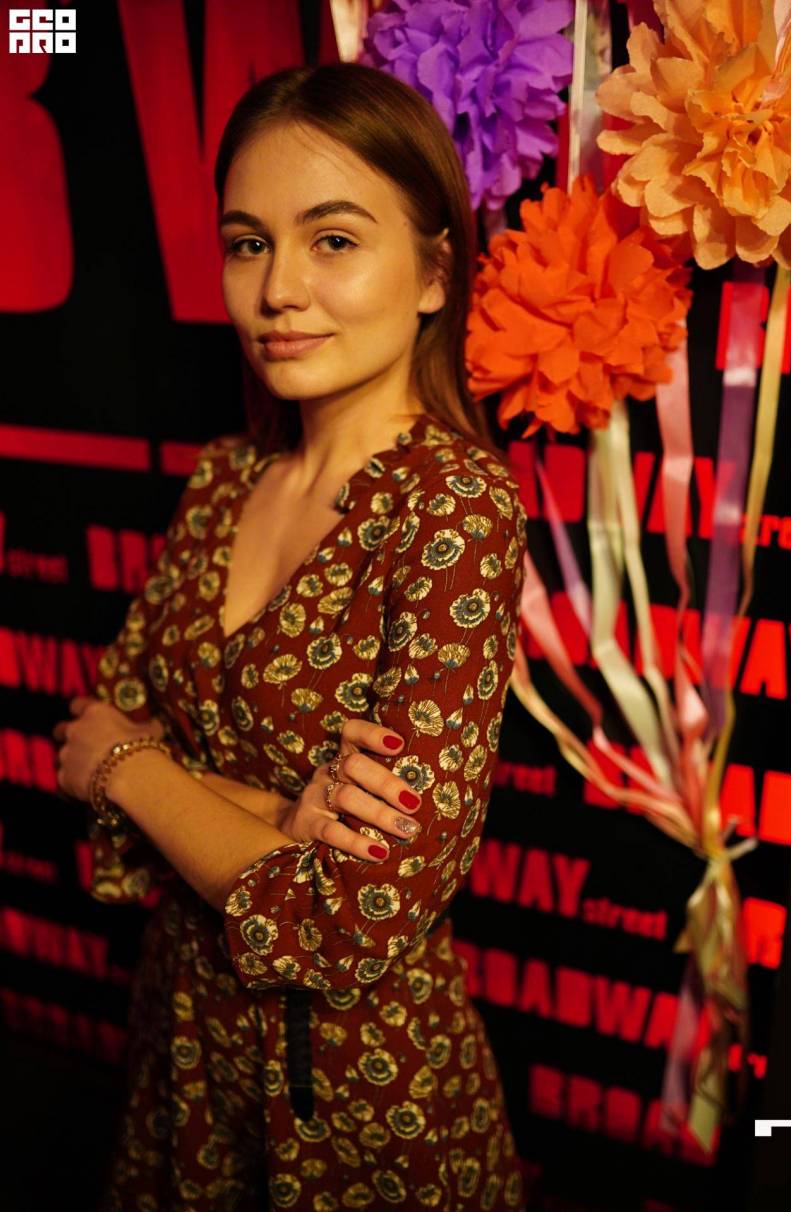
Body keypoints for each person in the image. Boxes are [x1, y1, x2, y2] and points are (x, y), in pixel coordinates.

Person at [53, 62, 528, 1211]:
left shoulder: (453, 511)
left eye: (333, 240)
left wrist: (141, 771)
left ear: (433, 272)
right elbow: (84, 740)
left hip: (350, 1087)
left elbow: (351, 912)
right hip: (182, 1043)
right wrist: (273, 814)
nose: (277, 290)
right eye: (248, 244)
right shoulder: (225, 479)